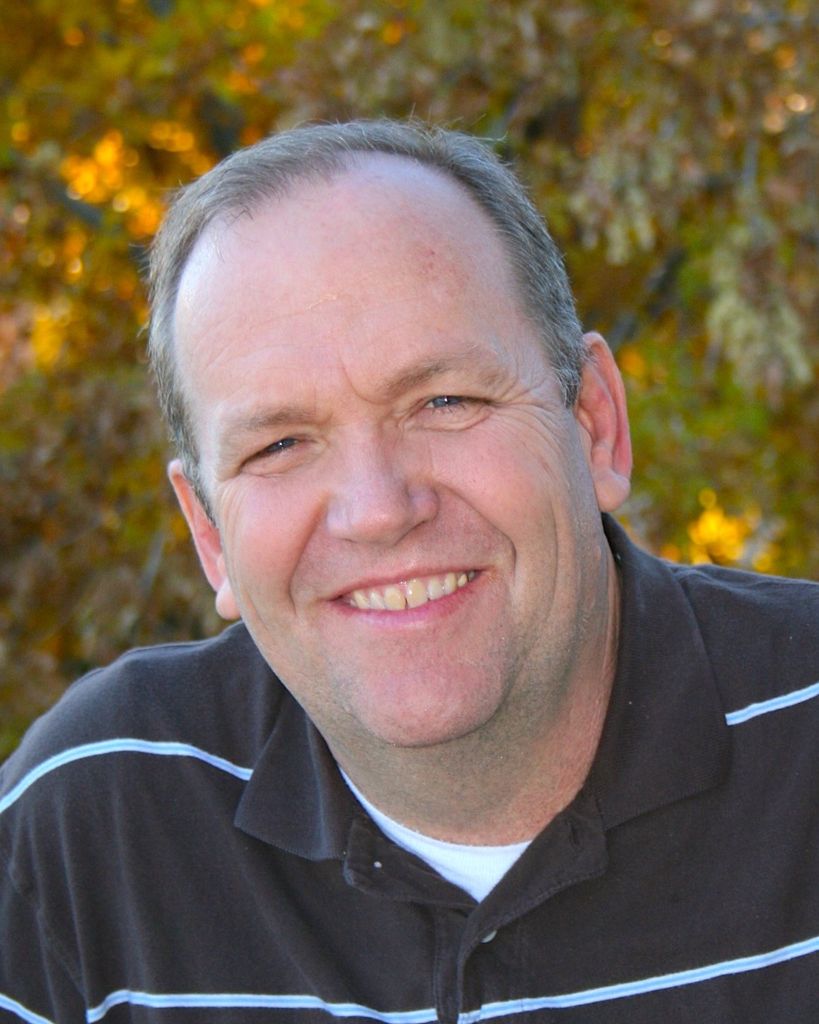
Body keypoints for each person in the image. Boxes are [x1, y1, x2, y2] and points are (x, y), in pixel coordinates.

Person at [1, 120, 818, 1024]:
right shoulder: (92, 824)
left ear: (593, 425)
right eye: (279, 445)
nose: (378, 509)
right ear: (209, 534)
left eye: (443, 400)